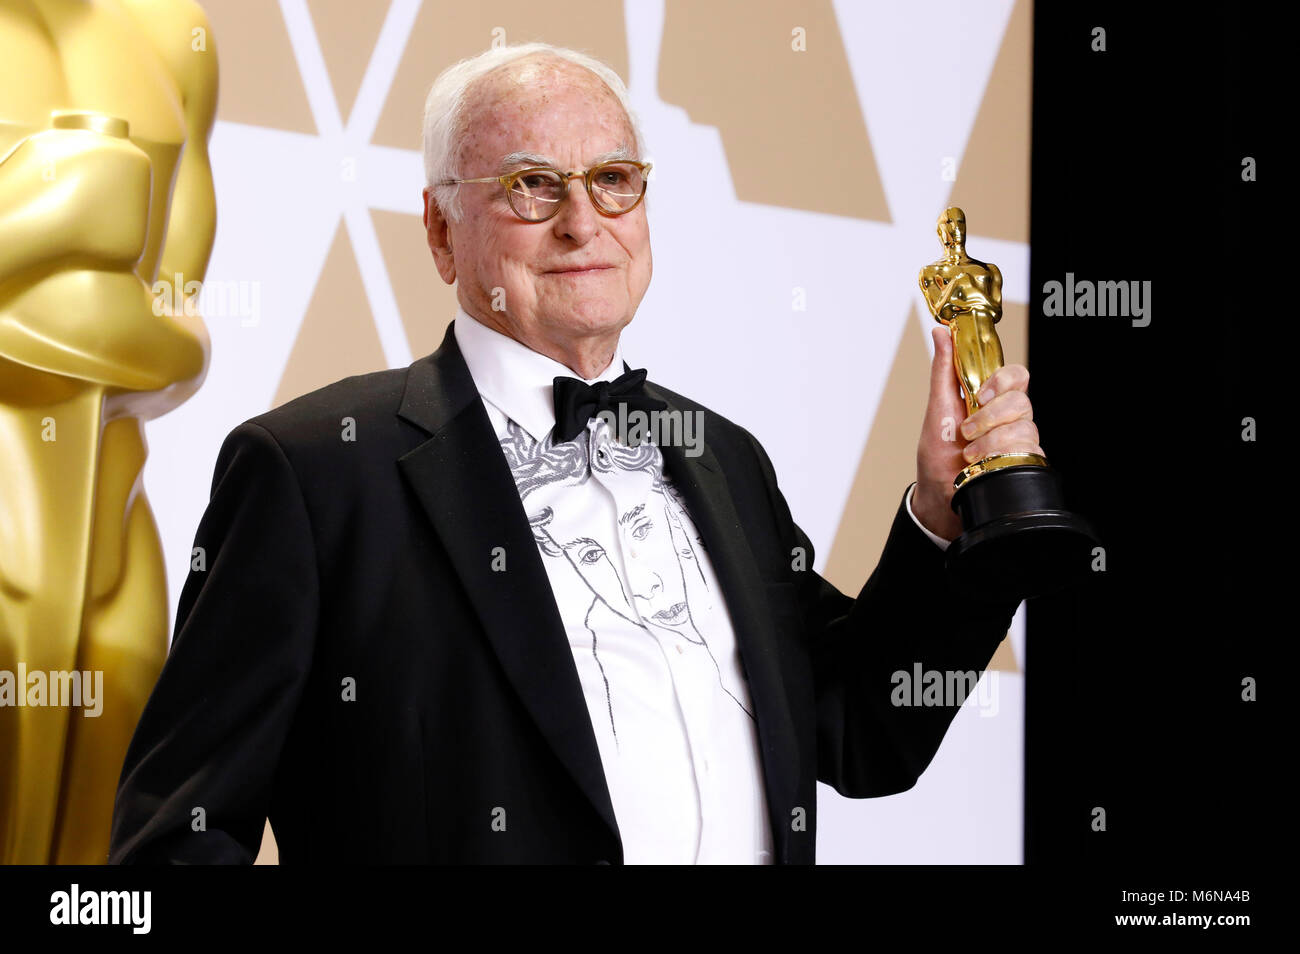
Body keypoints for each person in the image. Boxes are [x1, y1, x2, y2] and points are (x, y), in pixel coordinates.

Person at [108, 42, 1045, 865]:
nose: (581, 222)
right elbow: (182, 835)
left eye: (613, 180)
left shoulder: (723, 457)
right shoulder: (312, 472)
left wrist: (941, 520)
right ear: (441, 231)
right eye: (531, 184)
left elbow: (861, 733)